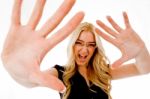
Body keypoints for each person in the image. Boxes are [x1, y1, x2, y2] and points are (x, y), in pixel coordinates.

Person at [1, 0, 150, 99]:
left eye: (91, 45)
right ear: (72, 45)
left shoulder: (103, 73)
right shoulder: (60, 73)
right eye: (79, 43)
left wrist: (141, 51)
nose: (84, 50)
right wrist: (22, 74)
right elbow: (32, 81)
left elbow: (143, 68)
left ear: (95, 49)